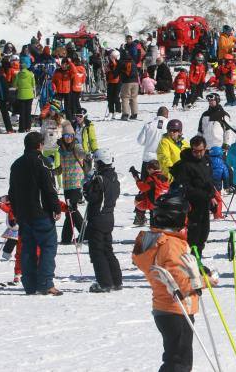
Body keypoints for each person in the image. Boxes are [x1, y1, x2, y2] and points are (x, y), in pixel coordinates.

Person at [132, 195, 212, 372]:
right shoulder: (172, 244)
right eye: (185, 216)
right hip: (177, 308)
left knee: (175, 358)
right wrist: (205, 281)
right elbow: (181, 283)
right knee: (180, 362)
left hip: (164, 308)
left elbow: (172, 271)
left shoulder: (154, 238)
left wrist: (197, 272)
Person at [8, 132, 62, 296]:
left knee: (28, 249)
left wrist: (16, 212)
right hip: (41, 213)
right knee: (48, 246)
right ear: (39, 145)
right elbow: (49, 188)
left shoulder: (16, 164)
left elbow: (12, 192)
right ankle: (45, 283)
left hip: (23, 214)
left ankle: (30, 285)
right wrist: (56, 208)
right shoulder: (42, 162)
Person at [170, 136, 217, 258]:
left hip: (204, 202)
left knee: (204, 232)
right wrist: (206, 195)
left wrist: (212, 196)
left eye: (200, 150)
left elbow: (209, 180)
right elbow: (186, 188)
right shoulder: (185, 165)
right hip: (191, 204)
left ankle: (198, 257)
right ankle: (192, 258)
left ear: (205, 148)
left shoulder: (206, 160)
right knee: (194, 234)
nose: (198, 153)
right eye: (195, 151)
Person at [82, 148, 122, 293]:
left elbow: (90, 196)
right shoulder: (114, 178)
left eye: (96, 162)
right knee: (107, 249)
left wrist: (87, 181)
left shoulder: (99, 179)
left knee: (97, 252)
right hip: (108, 218)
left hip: (98, 219)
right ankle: (116, 281)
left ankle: (104, 283)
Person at [55, 122, 89, 245]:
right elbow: (61, 168)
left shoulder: (76, 146)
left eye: (70, 135)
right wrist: (53, 171)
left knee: (72, 209)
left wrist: (85, 155)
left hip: (76, 183)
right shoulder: (61, 149)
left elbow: (81, 153)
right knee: (70, 210)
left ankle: (86, 233)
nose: (68, 138)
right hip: (66, 184)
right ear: (63, 137)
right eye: (66, 136)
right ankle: (65, 238)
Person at [137, 106, 169, 175]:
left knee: (145, 183)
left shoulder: (149, 124)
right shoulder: (169, 125)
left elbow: (140, 141)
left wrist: (149, 142)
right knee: (161, 184)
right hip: (162, 159)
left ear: (157, 114)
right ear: (167, 115)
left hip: (148, 158)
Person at [13, 60, 36, 132]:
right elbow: (33, 84)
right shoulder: (30, 74)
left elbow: (14, 85)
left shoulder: (18, 75)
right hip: (29, 95)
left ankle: (22, 128)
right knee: (28, 112)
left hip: (21, 95)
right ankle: (28, 127)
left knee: (22, 112)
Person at [116, 52, 139, 120]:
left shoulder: (123, 63)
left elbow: (118, 71)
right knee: (133, 98)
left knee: (125, 98)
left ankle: (125, 114)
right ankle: (134, 113)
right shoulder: (133, 63)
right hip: (135, 82)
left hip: (127, 82)